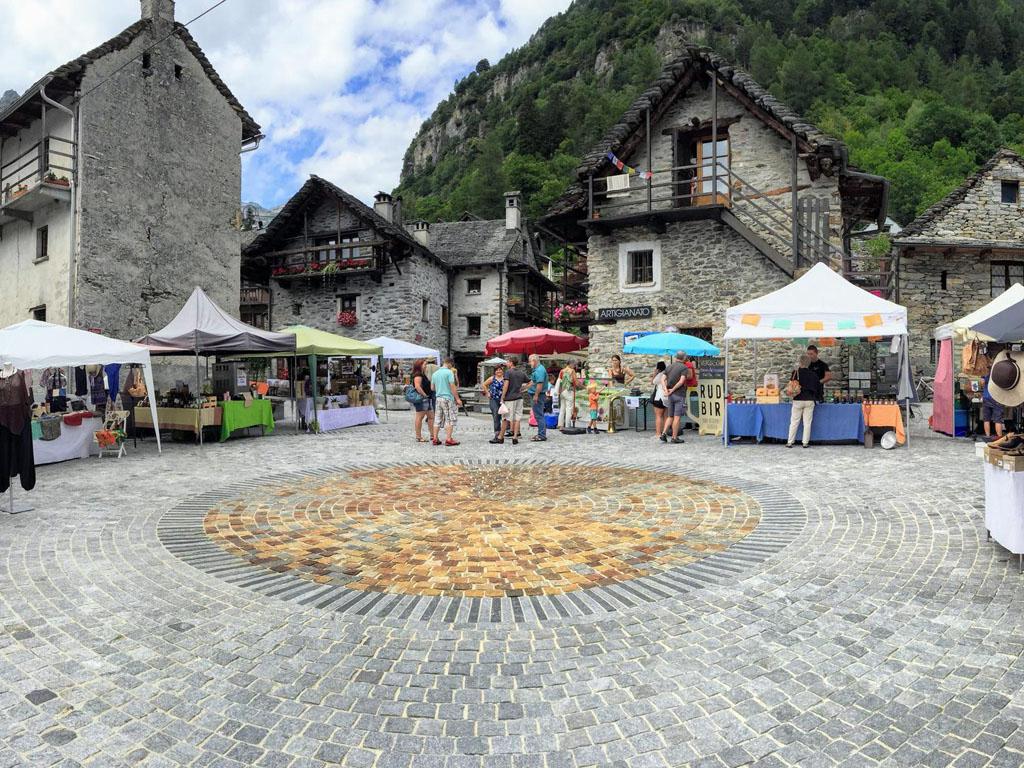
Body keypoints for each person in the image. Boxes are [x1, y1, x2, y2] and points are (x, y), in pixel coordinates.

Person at [788, 353, 823, 448]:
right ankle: (805, 443)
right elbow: (818, 388)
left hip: (798, 399)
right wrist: (818, 398)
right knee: (807, 422)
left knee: (794, 421)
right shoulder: (814, 375)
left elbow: (792, 385)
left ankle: (790, 442)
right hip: (809, 400)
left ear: (800, 362)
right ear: (809, 363)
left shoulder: (795, 373)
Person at [662, 352, 695, 443]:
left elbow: (662, 379)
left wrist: (666, 390)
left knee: (670, 416)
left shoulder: (669, 366)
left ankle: (663, 434)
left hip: (670, 396)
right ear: (684, 358)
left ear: (676, 357)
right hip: (679, 395)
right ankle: (674, 437)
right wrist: (672, 390)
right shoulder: (684, 367)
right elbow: (681, 382)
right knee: (677, 417)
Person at [430, 358, 463, 446]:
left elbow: (432, 388)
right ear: (449, 364)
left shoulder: (435, 373)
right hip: (447, 398)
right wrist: (458, 399)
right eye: (451, 365)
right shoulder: (449, 372)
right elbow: (452, 386)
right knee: (449, 419)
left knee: (437, 419)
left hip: (438, 398)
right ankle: (448, 439)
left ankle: (435, 438)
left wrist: (440, 387)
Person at [500, 356, 529, 445]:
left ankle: (501, 437)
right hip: (519, 398)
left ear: (511, 363)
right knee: (517, 418)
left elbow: (506, 385)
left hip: (510, 398)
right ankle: (515, 437)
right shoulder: (521, 372)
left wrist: (503, 396)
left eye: (508, 362)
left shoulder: (508, 372)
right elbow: (531, 382)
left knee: (505, 417)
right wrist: (523, 388)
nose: (507, 363)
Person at [410, 359, 434, 443]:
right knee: (420, 417)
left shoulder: (423, 374)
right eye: (424, 364)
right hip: (422, 399)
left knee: (431, 416)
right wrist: (424, 395)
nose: (426, 366)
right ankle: (418, 437)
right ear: (419, 366)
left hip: (427, 398)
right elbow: (417, 386)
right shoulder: (418, 375)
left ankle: (432, 435)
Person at [482, 364, 506, 443]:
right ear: (495, 372)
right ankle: (497, 434)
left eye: (500, 370)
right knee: (496, 416)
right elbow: (484, 385)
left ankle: (504, 433)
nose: (499, 371)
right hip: (493, 399)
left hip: (503, 400)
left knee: (505, 417)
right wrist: (487, 393)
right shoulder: (492, 378)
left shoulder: (505, 379)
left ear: (502, 371)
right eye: (497, 370)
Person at [528, 354, 549, 441]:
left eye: (530, 361)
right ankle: (541, 434)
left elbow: (539, 384)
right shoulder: (537, 369)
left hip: (538, 395)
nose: (529, 363)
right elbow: (533, 382)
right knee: (539, 415)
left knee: (539, 415)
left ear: (534, 361)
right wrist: (523, 388)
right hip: (537, 394)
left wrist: (536, 395)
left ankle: (541, 435)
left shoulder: (539, 370)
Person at [556, 362, 579, 429]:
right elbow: (576, 382)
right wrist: (584, 387)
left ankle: (560, 425)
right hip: (569, 391)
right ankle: (567, 426)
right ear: (570, 364)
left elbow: (559, 381)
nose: (574, 366)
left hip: (562, 391)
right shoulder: (572, 371)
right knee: (569, 409)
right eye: (574, 364)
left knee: (562, 409)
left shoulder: (562, 371)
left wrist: (558, 391)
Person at [981, 372, 1005, 439]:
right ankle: (999, 438)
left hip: (986, 397)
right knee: (998, 419)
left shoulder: (985, 371)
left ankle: (987, 437)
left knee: (986, 419)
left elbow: (982, 382)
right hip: (997, 398)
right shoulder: (1000, 371)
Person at [651, 361, 669, 439]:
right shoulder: (669, 375)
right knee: (666, 416)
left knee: (658, 416)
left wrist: (655, 373)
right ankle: (665, 432)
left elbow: (653, 382)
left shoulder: (660, 375)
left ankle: (658, 433)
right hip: (667, 397)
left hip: (659, 397)